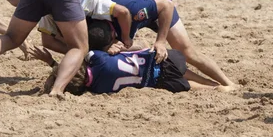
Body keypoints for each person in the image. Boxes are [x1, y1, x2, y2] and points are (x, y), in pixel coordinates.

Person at [89, 0, 239, 91]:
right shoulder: (92, 19)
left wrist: (160, 41)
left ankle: (227, 82)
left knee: (186, 51)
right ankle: (212, 86)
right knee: (134, 52)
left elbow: (167, 6)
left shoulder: (133, 12)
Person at [10, 0, 132, 56]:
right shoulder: (46, 9)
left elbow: (123, 12)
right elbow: (48, 42)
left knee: (91, 38)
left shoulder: (92, 1)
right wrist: (79, 52)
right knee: (77, 42)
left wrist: (125, 39)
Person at [32, 46, 230, 95]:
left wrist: (51, 64)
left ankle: (214, 88)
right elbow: (76, 54)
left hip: (160, 82)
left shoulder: (97, 88)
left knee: (191, 85)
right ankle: (216, 82)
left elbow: (69, 78)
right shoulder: (97, 59)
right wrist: (50, 61)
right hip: (161, 61)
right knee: (187, 71)